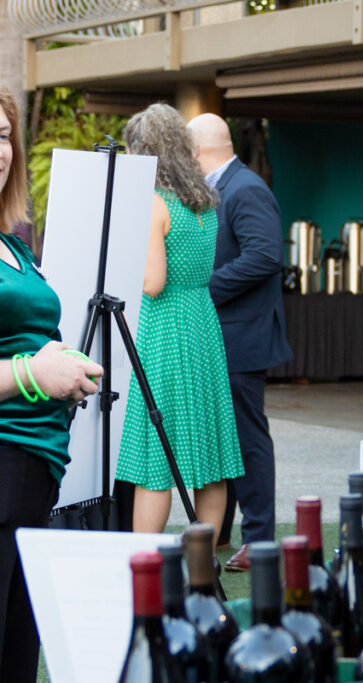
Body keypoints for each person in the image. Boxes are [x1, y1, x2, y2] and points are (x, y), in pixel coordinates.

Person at [0, 85, 104, 682]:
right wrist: (34, 372)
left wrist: (56, 363)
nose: (0, 150)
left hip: (35, 474)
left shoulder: (13, 243)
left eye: (4, 135)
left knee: (18, 655)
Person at [116, 104, 244, 542]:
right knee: (211, 455)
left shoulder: (153, 204)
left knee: (156, 458)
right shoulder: (205, 201)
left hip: (163, 329)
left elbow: (152, 283)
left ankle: (145, 565)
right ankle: (203, 568)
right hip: (202, 325)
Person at [188, 113, 292, 572]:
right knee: (221, 435)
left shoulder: (245, 188)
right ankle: (225, 529)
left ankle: (259, 538)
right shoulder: (222, 186)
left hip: (243, 336)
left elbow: (265, 256)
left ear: (194, 152)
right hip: (225, 334)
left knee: (248, 439)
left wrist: (201, 288)